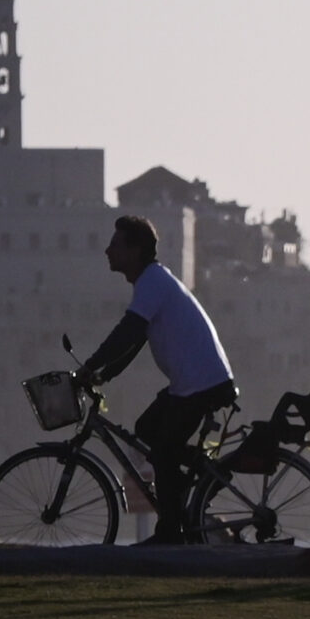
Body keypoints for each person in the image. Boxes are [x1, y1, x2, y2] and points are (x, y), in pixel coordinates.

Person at [75, 214, 239, 544]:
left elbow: (128, 332)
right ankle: (200, 471)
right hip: (191, 383)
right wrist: (104, 374)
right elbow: (136, 342)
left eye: (115, 245)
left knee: (164, 452)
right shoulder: (152, 282)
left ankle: (169, 532)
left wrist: (88, 367)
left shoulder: (152, 283)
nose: (108, 251)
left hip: (200, 384)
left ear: (135, 251)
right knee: (147, 429)